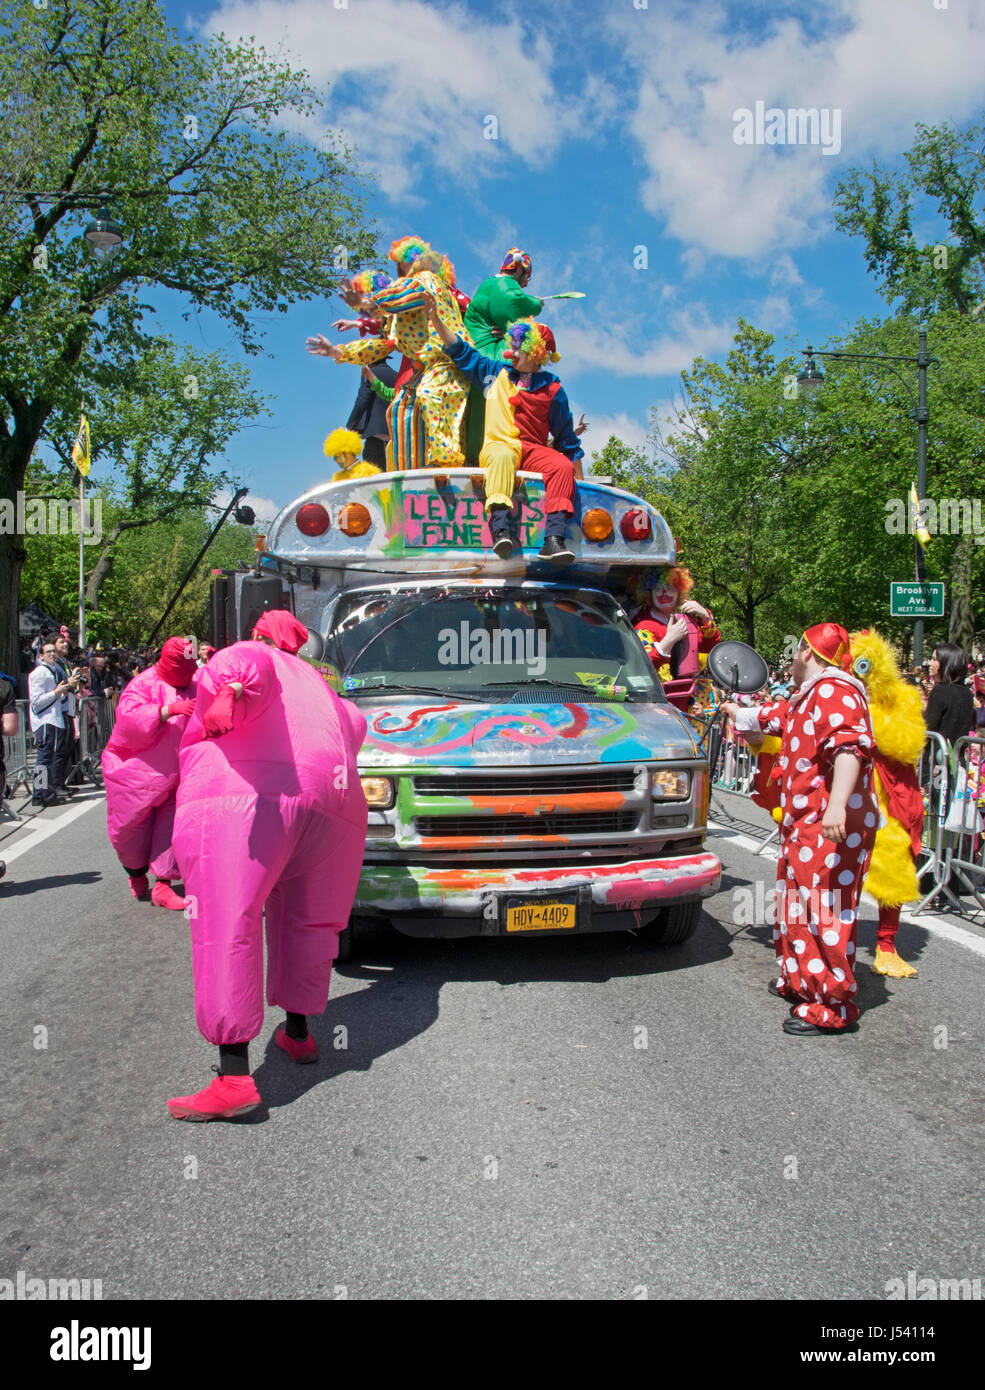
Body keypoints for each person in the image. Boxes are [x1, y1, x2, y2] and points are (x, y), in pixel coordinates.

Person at [168, 609, 368, 1121]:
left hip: (250, 799)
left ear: (261, 635)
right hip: (334, 809)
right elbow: (355, 725)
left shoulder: (254, 654)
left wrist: (229, 688)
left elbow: (239, 667)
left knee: (225, 920)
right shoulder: (323, 688)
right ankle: (298, 1034)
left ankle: (233, 1078)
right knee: (307, 921)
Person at [722, 623, 878, 1035]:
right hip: (804, 825)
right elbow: (773, 717)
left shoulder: (834, 692)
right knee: (797, 905)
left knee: (824, 910)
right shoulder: (810, 695)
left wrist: (838, 806)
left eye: (796, 650)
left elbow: (849, 748)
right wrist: (738, 713)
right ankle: (801, 981)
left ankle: (832, 1005)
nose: (790, 659)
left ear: (807, 652)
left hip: (829, 825)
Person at [427, 301, 583, 561]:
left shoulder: (553, 390)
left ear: (535, 352)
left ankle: (554, 539)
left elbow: (567, 442)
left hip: (532, 449)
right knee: (501, 457)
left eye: (518, 345)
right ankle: (500, 530)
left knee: (560, 466)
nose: (511, 350)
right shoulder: (494, 373)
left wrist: (583, 481)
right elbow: (460, 351)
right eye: (512, 343)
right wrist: (436, 319)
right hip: (499, 445)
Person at [306, 237, 473, 470]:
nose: (398, 271)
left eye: (401, 264)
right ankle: (408, 475)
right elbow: (385, 344)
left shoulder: (427, 280)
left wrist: (369, 301)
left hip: (448, 360)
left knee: (430, 394)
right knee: (399, 409)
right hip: (424, 367)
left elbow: (409, 295)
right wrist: (339, 351)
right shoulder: (397, 312)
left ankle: (446, 465)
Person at [102, 636, 200, 910]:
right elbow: (128, 720)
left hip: (176, 774)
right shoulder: (143, 683)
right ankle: (135, 873)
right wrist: (166, 711)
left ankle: (163, 885)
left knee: (170, 831)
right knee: (129, 833)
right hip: (134, 773)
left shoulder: (195, 685)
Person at [849, 629, 926, 980]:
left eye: (864, 666)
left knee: (892, 868)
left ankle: (887, 945)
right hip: (847, 793)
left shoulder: (903, 698)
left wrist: (864, 720)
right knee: (837, 864)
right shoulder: (841, 696)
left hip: (889, 798)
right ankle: (838, 940)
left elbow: (906, 744)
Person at [632, 566, 721, 681]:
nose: (664, 593)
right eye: (658, 589)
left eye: (670, 589)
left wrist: (705, 616)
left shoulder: (686, 621)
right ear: (649, 594)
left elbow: (710, 647)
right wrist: (669, 641)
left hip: (688, 690)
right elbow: (643, 665)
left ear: (680, 594)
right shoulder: (643, 626)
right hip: (662, 695)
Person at [27, 642, 78, 808]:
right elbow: (36, 702)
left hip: (54, 719)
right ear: (41, 655)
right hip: (45, 721)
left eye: (54, 652)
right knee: (44, 760)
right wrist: (56, 692)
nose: (53, 654)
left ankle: (41, 793)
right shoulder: (39, 673)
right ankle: (43, 793)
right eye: (48, 652)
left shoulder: (54, 671)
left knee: (48, 759)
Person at [925, 642, 974, 750]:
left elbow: (928, 727)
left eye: (934, 659)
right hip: (956, 760)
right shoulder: (967, 692)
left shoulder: (940, 691)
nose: (930, 663)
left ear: (945, 663)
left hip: (936, 759)